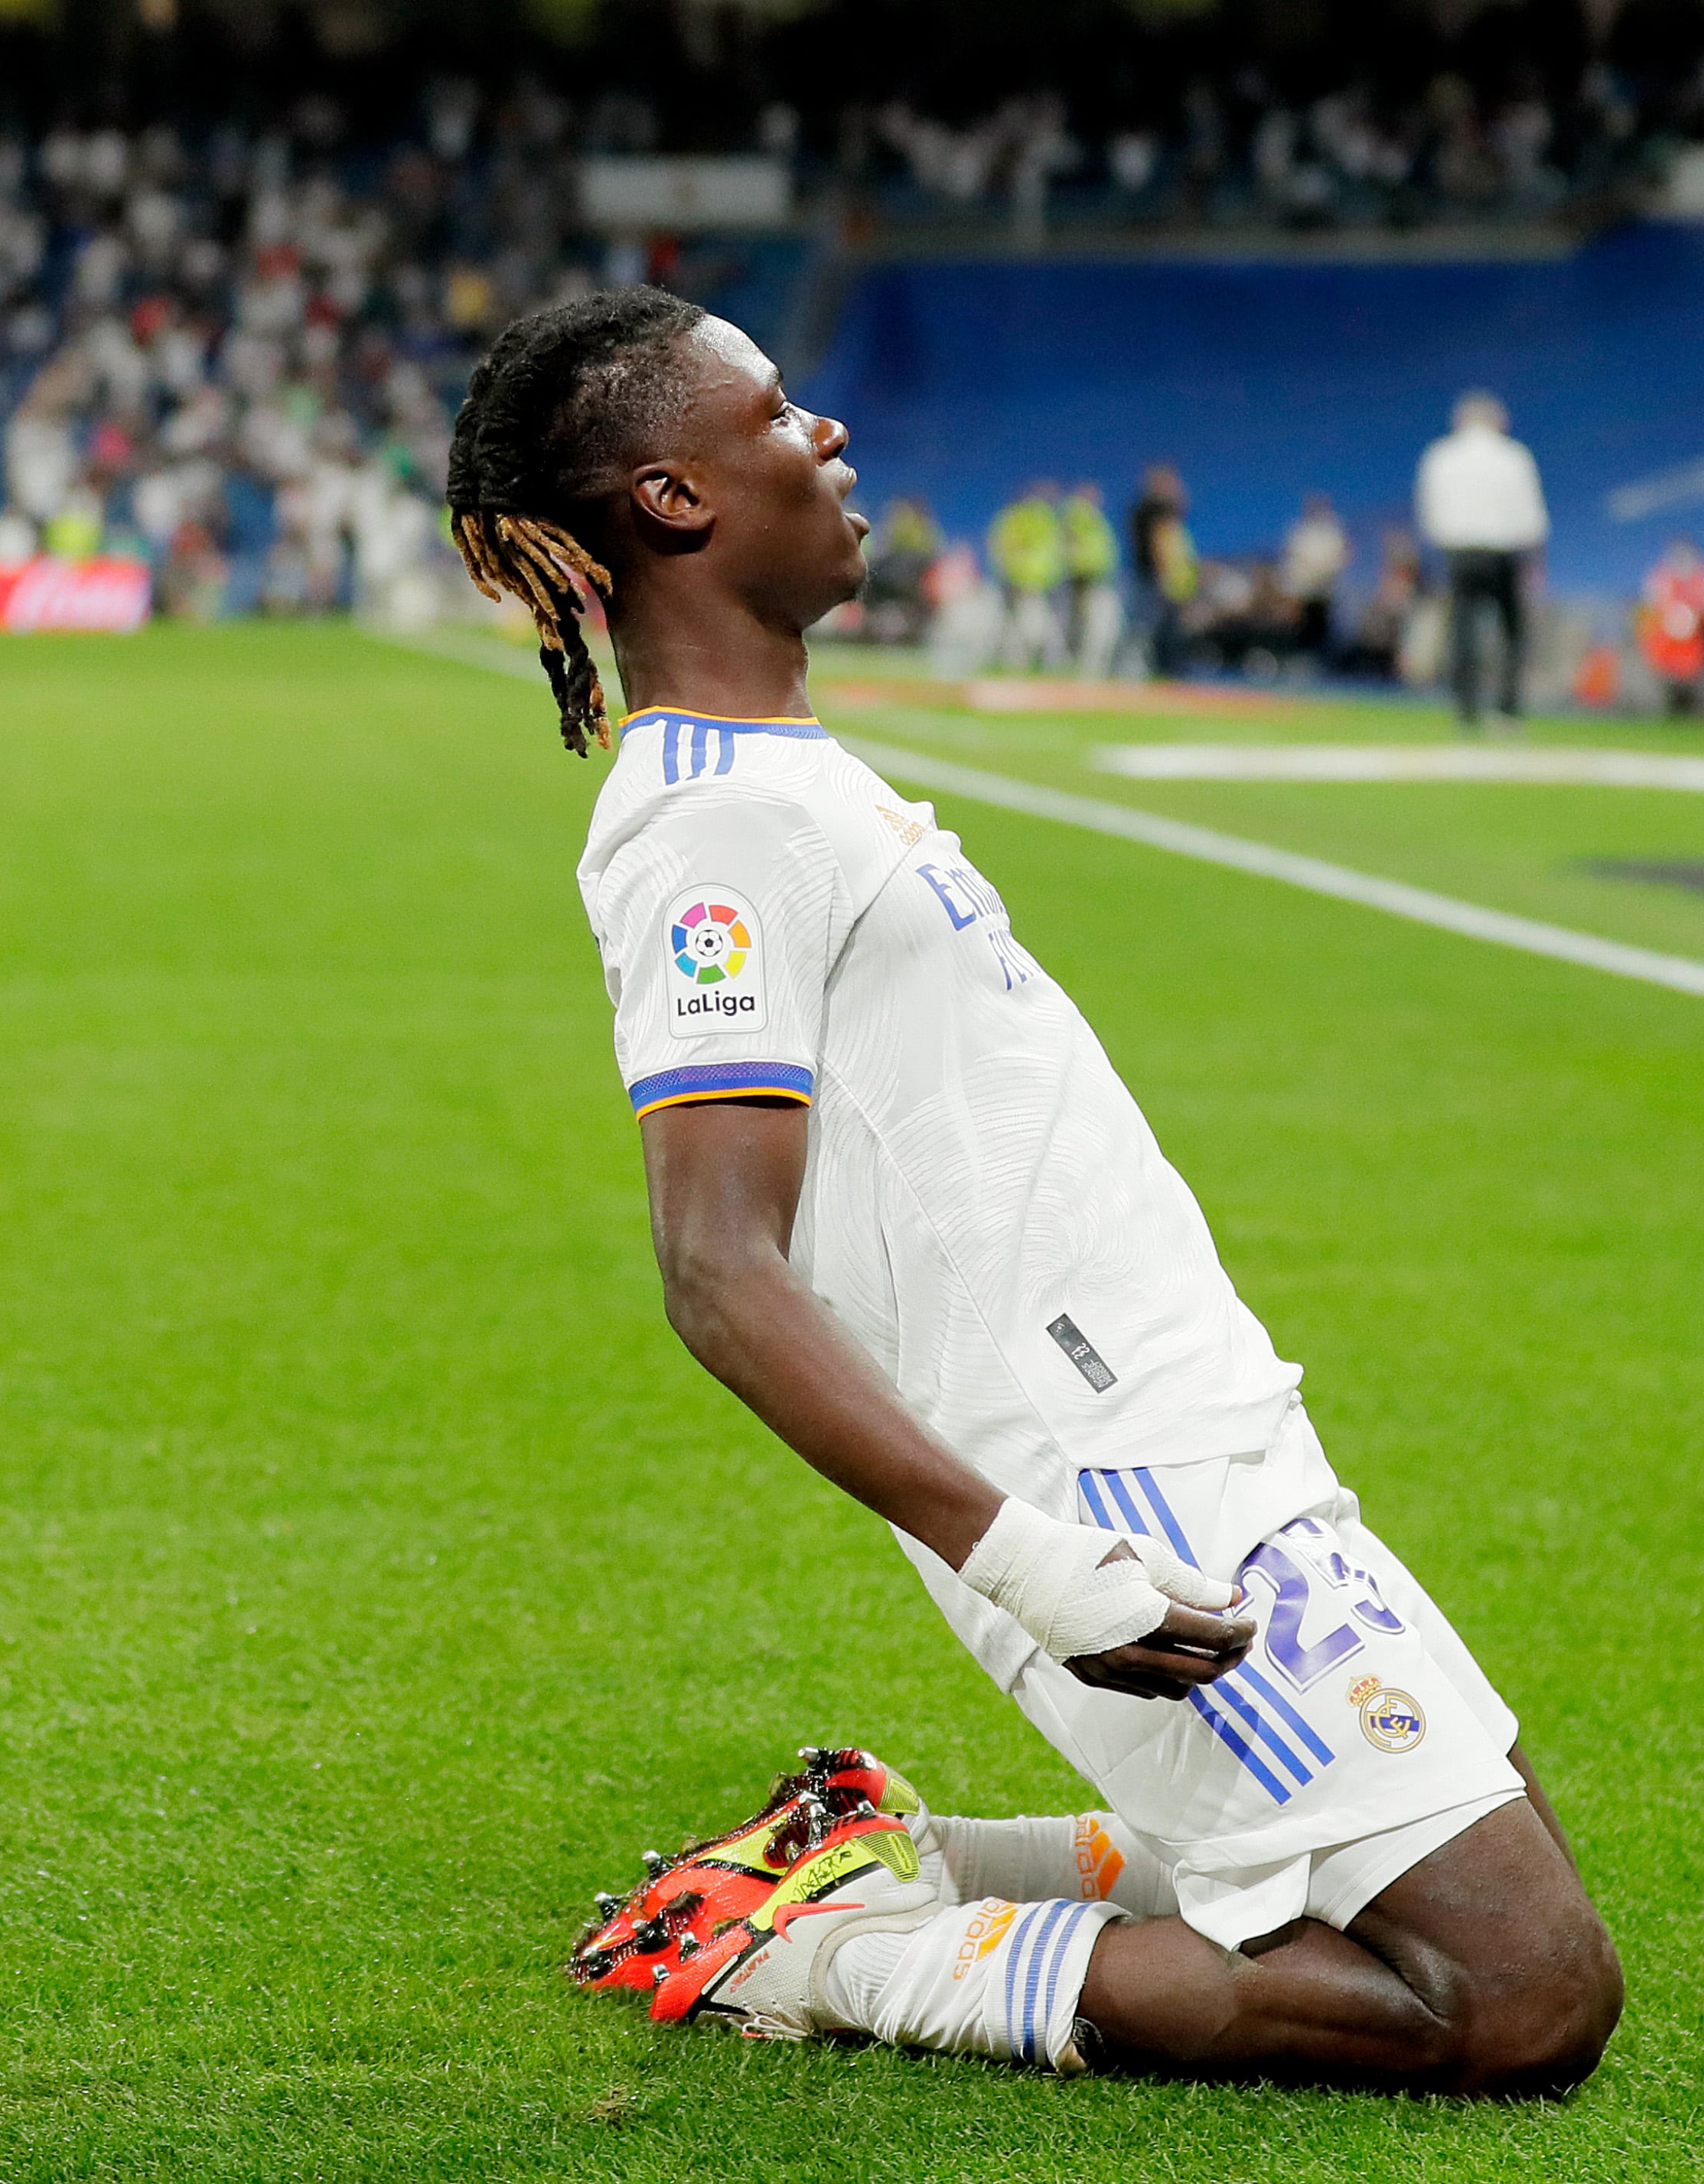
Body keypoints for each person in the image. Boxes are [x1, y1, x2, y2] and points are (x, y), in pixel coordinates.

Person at [443, 287, 1620, 2091]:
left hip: (1192, 1406)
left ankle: (902, 1849)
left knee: (1481, 1833)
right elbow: (713, 1264)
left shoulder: (778, 770)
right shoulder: (706, 823)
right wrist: (1017, 1547)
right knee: (1518, 1991)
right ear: (670, 499)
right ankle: (819, 1947)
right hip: (1092, 1469)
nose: (821, 434)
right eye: (771, 415)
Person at [1415, 392, 1547, 731]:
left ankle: (1467, 712)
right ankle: (1508, 710)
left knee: (1464, 630)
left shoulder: (1441, 456)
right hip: (1504, 551)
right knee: (1512, 632)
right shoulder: (1514, 456)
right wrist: (1535, 560)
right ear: (1498, 422)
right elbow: (1531, 515)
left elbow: (1429, 510)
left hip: (1460, 552)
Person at [1126, 465, 1198, 678]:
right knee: (1156, 629)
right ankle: (1160, 671)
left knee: (1167, 628)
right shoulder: (1152, 510)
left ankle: (1166, 671)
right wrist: (1165, 576)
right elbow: (1159, 546)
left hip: (1166, 579)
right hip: (1156, 578)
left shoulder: (1164, 512)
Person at [986, 480, 1066, 671]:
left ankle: (1025, 664)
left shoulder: (1043, 518)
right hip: (1025, 582)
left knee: (1030, 627)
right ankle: (1015, 663)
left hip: (1037, 583)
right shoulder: (1026, 518)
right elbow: (1010, 549)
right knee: (1027, 627)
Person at [1281, 493, 1350, 669]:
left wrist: (1324, 572)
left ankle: (1323, 664)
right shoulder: (1299, 531)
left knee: (1323, 628)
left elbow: (1341, 556)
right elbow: (1292, 558)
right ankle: (1302, 662)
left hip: (1325, 590)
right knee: (1302, 627)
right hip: (1303, 590)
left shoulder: (1333, 531)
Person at [1637, 539, 1704, 718]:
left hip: (1695, 638)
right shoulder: (1662, 578)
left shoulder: (1700, 579)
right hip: (1667, 639)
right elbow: (1652, 605)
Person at [1061, 480, 1121, 677]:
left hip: (1100, 580)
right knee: (1089, 627)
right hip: (1085, 581)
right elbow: (1071, 548)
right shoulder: (1077, 516)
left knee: (1103, 627)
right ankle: (1084, 672)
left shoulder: (1096, 520)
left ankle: (1093, 672)